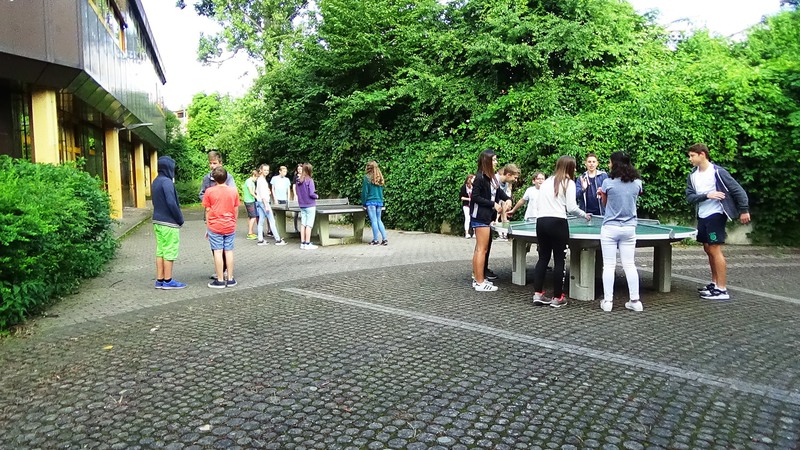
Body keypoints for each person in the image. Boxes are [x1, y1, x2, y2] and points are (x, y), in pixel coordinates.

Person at [686, 143, 750, 301]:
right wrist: (707, 195)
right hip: (702, 215)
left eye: (692, 156)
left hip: (716, 215)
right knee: (708, 248)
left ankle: (722, 289)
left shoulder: (718, 172)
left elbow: (738, 190)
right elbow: (690, 197)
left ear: (702, 154)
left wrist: (744, 210)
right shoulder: (692, 175)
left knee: (714, 248)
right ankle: (714, 284)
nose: (690, 159)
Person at [532, 155, 591, 308]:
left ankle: (538, 294)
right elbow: (571, 207)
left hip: (541, 222)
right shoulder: (568, 183)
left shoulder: (546, 182)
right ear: (570, 168)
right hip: (558, 223)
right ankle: (558, 297)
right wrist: (584, 215)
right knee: (559, 260)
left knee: (543, 258)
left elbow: (539, 204)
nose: (575, 170)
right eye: (574, 167)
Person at [597, 152, 644, 312]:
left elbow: (605, 204)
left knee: (609, 265)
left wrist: (602, 194)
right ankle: (635, 301)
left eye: (610, 162)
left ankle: (608, 302)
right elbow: (634, 197)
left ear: (615, 164)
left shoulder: (607, 182)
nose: (608, 165)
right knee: (629, 265)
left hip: (610, 227)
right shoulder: (637, 183)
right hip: (629, 227)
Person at [469, 150, 512, 292]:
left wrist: (508, 199)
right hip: (480, 216)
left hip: (487, 217)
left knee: (481, 249)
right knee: (482, 249)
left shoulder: (492, 178)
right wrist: (493, 204)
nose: (496, 162)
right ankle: (480, 282)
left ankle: (478, 278)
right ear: (486, 161)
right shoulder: (480, 178)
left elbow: (499, 193)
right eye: (493, 160)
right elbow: (475, 197)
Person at [151, 156, 187, 290]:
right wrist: (180, 219)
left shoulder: (155, 181)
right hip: (168, 223)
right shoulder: (167, 182)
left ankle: (159, 280)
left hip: (157, 221)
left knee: (160, 251)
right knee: (169, 251)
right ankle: (168, 281)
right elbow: (171, 203)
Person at [199, 151, 235, 279]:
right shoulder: (206, 178)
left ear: (220, 163)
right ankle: (220, 270)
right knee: (215, 247)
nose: (212, 166)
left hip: (225, 217)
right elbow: (202, 194)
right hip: (211, 216)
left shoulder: (228, 177)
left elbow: (232, 194)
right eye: (210, 163)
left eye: (214, 163)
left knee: (227, 248)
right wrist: (211, 200)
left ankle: (226, 272)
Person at [202, 166, 240, 288]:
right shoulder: (233, 191)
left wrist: (208, 226)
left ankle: (219, 280)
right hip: (230, 225)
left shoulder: (209, 191)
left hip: (215, 226)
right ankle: (230, 279)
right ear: (226, 177)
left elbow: (207, 210)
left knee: (218, 251)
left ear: (214, 178)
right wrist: (234, 222)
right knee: (229, 251)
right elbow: (236, 209)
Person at [255, 164, 288, 246]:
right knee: (272, 220)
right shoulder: (262, 180)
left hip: (260, 202)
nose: (266, 171)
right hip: (264, 202)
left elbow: (258, 191)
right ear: (261, 170)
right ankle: (278, 240)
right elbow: (263, 195)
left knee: (261, 221)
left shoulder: (260, 179)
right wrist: (266, 205)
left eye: (267, 170)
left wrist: (268, 192)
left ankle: (260, 240)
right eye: (264, 170)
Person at [362, 160, 389, 245]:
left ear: (368, 168)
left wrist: (364, 203)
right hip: (379, 202)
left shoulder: (367, 178)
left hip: (370, 202)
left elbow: (365, 192)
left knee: (374, 221)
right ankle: (384, 239)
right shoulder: (380, 178)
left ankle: (375, 240)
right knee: (379, 220)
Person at [296, 163, 320, 249]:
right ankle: (307, 243)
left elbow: (297, 193)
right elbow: (311, 193)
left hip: (302, 205)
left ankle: (302, 243)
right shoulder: (309, 180)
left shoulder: (298, 180)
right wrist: (316, 196)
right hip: (310, 205)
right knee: (309, 225)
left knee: (303, 224)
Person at [243, 169, 259, 239]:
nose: (256, 179)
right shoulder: (249, 182)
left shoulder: (252, 182)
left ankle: (250, 232)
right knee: (253, 217)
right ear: (253, 175)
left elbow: (254, 191)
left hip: (251, 200)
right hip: (249, 201)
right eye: (256, 177)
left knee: (250, 217)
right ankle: (250, 233)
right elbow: (251, 192)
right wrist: (257, 197)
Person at [460, 174, 475, 239]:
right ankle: (467, 233)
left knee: (474, 218)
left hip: (473, 205)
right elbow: (461, 197)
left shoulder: (474, 187)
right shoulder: (464, 187)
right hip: (466, 205)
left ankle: (475, 233)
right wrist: (469, 199)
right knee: (467, 218)